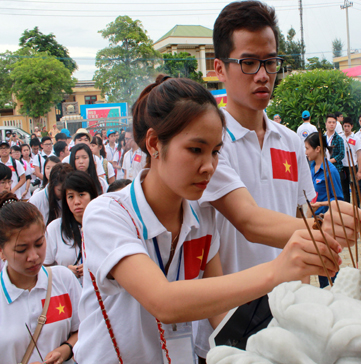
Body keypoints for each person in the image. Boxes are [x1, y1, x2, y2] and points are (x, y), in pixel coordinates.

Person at [74, 76, 340, 363]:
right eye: (195, 150)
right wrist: (277, 269)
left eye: (215, 152)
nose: (209, 166)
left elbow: (218, 313)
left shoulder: (202, 216)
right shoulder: (108, 214)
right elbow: (164, 302)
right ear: (154, 144)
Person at [195, 1, 359, 360]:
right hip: (228, 325)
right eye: (249, 62)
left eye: (270, 62)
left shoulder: (290, 142)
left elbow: (302, 218)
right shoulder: (208, 144)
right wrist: (324, 229)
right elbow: (249, 221)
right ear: (220, 68)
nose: (263, 74)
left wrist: (324, 222)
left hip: (287, 322)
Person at [0, 191, 80, 364]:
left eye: (39, 243)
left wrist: (66, 349)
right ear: (1, 251)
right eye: (21, 250)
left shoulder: (63, 279)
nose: (34, 256)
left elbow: (86, 328)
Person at [304, 131, 344, 288]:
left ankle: (335, 289)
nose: (306, 152)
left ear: (318, 149)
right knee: (319, 260)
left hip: (325, 222)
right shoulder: (312, 166)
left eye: (307, 148)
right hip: (313, 221)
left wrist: (321, 204)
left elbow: (339, 200)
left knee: (326, 260)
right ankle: (326, 289)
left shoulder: (331, 170)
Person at [44, 171, 98, 281]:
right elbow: (44, 268)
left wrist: (95, 267)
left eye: (81, 195)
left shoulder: (103, 225)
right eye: (70, 196)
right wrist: (63, 272)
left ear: (92, 196)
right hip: (68, 292)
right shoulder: (55, 228)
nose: (76, 202)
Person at [341, 117, 361, 205]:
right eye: (345, 126)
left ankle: (356, 207)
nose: (346, 128)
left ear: (352, 126)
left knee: (355, 189)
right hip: (343, 167)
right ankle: (347, 207)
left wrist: (359, 171)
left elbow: (359, 155)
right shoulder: (340, 137)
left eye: (348, 126)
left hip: (353, 166)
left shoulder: (356, 138)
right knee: (344, 189)